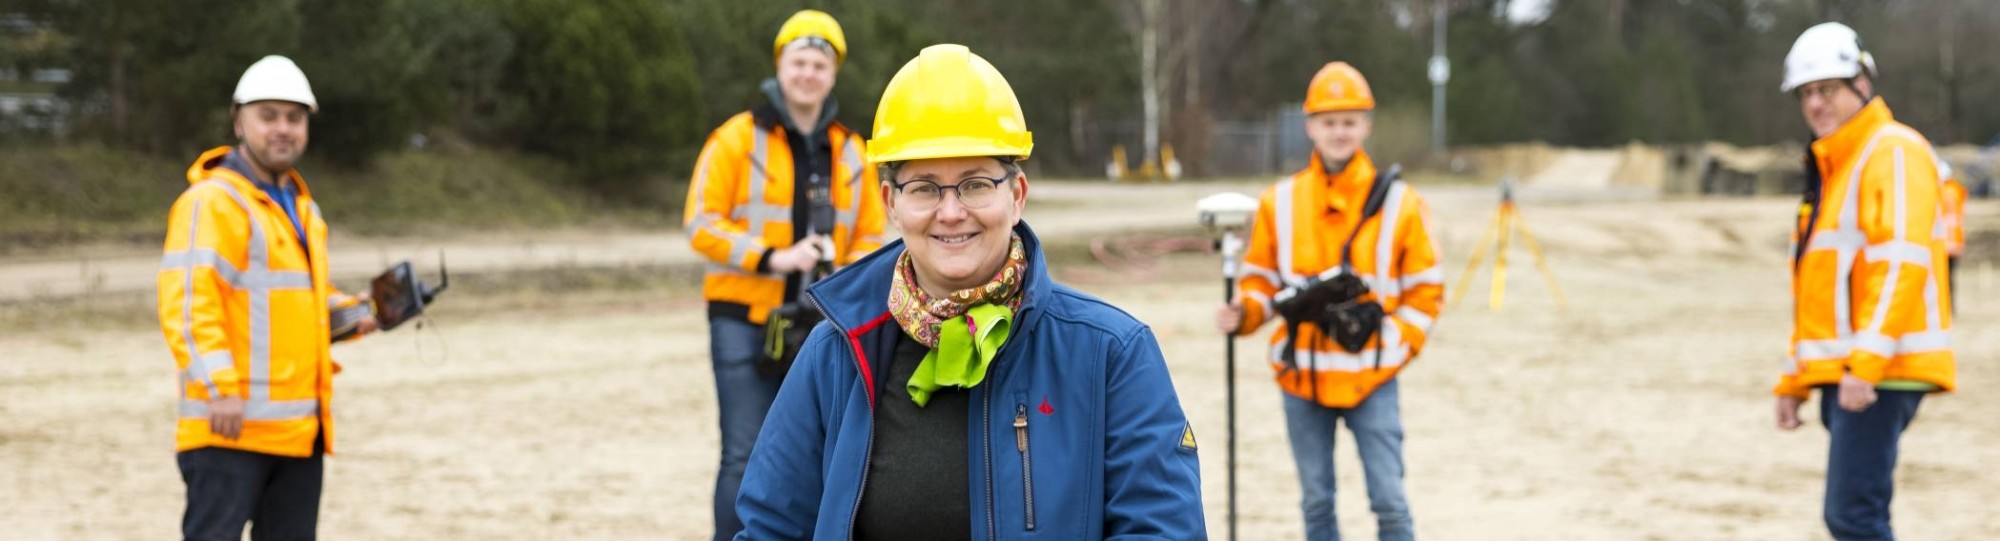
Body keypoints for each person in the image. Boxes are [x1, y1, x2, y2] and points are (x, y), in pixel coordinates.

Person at [733, 44, 1205, 540]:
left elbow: (1163, 530)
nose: (951, 211)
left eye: (976, 184)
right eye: (924, 187)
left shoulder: (1110, 354)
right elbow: (771, 528)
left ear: (1016, 195)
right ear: (892, 203)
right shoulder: (835, 354)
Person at [1214, 61, 1443, 541]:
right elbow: (1259, 282)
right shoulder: (1280, 201)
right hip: (1302, 379)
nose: (1339, 131)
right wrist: (1246, 314)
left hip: (1372, 378)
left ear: (1366, 125)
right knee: (1317, 504)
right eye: (1329, 121)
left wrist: (1395, 344)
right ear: (1310, 127)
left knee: (1390, 503)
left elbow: (1426, 288)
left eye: (1349, 121)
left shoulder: (1402, 203)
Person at [681, 9, 886, 540]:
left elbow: (873, 235)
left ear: (833, 74)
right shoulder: (734, 139)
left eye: (820, 63)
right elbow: (700, 223)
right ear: (780, 66)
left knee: (817, 454)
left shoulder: (853, 152)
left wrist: (838, 271)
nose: (809, 73)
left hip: (823, 326)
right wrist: (774, 257)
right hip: (744, 319)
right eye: (800, 61)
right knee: (744, 453)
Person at [157, 55, 378, 541]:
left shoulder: (301, 206)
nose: (283, 128)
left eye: (294, 118)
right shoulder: (212, 201)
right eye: (269, 115)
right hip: (228, 428)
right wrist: (220, 389)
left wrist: (360, 314)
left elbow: (297, 304)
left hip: (299, 434)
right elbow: (189, 302)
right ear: (239, 121)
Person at [1772, 22, 1956, 541]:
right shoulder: (1836, 166)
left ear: (1862, 84)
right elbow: (1815, 288)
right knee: (1856, 514)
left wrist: (1867, 364)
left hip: (1880, 368)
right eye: (1806, 93)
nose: (1815, 104)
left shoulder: (1891, 150)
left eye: (1827, 89)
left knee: (1853, 516)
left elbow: (1900, 261)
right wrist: (1794, 379)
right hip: (1849, 366)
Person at [1938, 159, 1966, 309]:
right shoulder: (1956, 190)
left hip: (1942, 243)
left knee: (1942, 279)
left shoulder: (1942, 192)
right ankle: (1950, 308)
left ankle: (1946, 308)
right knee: (1949, 279)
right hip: (1955, 242)